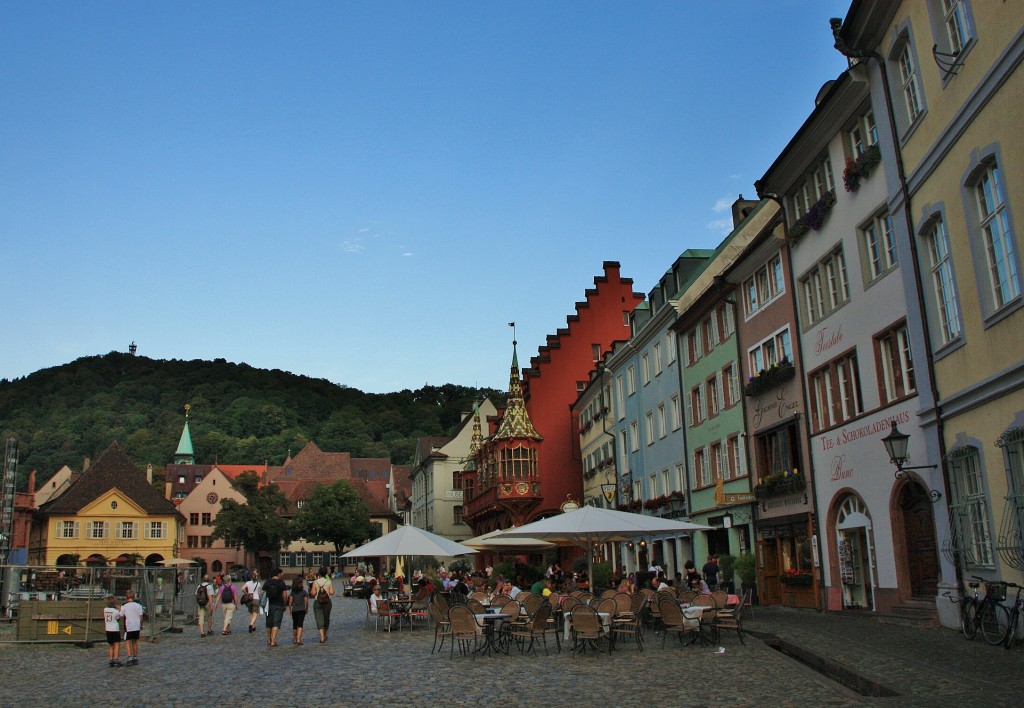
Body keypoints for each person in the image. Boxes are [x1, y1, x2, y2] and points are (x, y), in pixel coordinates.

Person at [262, 568, 288, 647]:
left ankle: (269, 640)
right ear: (278, 574)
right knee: (276, 624)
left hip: (269, 605)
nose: (282, 575)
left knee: (269, 623)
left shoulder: (267, 582)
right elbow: (284, 595)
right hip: (279, 605)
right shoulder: (281, 583)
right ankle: (273, 641)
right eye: (282, 573)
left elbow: (262, 593)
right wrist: (284, 604)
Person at [119, 590, 144, 666]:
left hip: (128, 627)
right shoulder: (138, 606)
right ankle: (135, 657)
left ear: (126, 597)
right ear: (134, 597)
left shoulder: (125, 606)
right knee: (135, 642)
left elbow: (121, 615)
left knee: (127, 642)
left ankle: (129, 657)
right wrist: (141, 624)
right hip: (136, 626)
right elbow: (141, 616)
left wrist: (119, 609)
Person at [310, 566, 334, 644]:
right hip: (327, 602)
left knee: (319, 619)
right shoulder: (329, 581)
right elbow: (332, 592)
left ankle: (322, 637)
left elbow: (313, 593)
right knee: (326, 619)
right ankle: (325, 634)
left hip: (318, 602)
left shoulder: (315, 582)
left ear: (319, 573)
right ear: (326, 573)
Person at [103, 595, 123, 668]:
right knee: (117, 644)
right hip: (115, 629)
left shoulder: (105, 609)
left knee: (111, 645)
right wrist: (119, 609)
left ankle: (111, 660)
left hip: (108, 629)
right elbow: (119, 618)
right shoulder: (115, 611)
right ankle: (116, 659)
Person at [288, 577, 308, 645]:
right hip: (302, 610)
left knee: (294, 625)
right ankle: (299, 640)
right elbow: (306, 601)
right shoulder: (304, 592)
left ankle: (295, 639)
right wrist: (307, 608)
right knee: (300, 625)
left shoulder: (292, 592)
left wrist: (290, 609)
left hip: (295, 610)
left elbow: (290, 601)